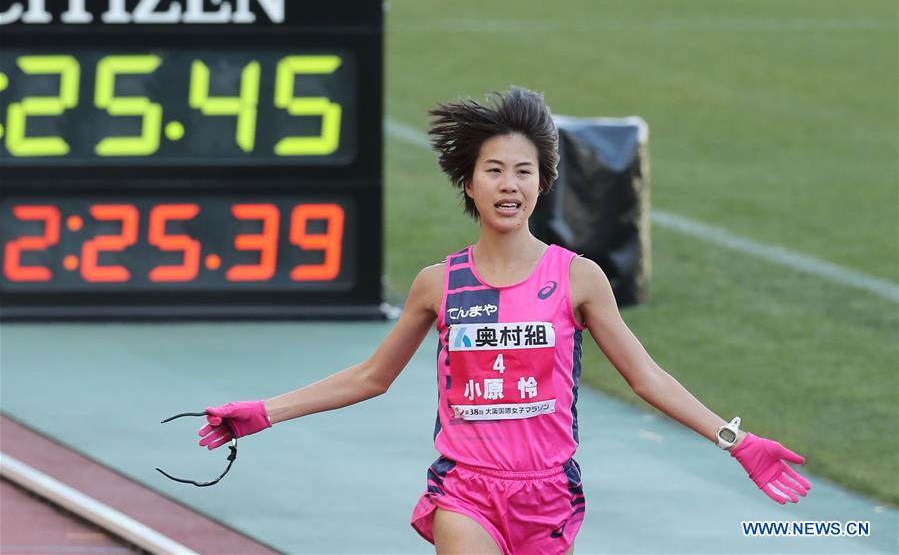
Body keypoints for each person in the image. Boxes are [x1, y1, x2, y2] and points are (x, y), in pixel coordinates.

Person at [197, 87, 811, 555]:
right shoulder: (440, 284)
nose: (509, 184)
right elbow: (369, 378)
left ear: (544, 184)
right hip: (466, 490)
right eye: (494, 170)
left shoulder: (578, 278)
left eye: (524, 171)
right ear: (469, 184)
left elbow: (646, 377)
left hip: (548, 495)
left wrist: (736, 441)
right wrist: (263, 412)